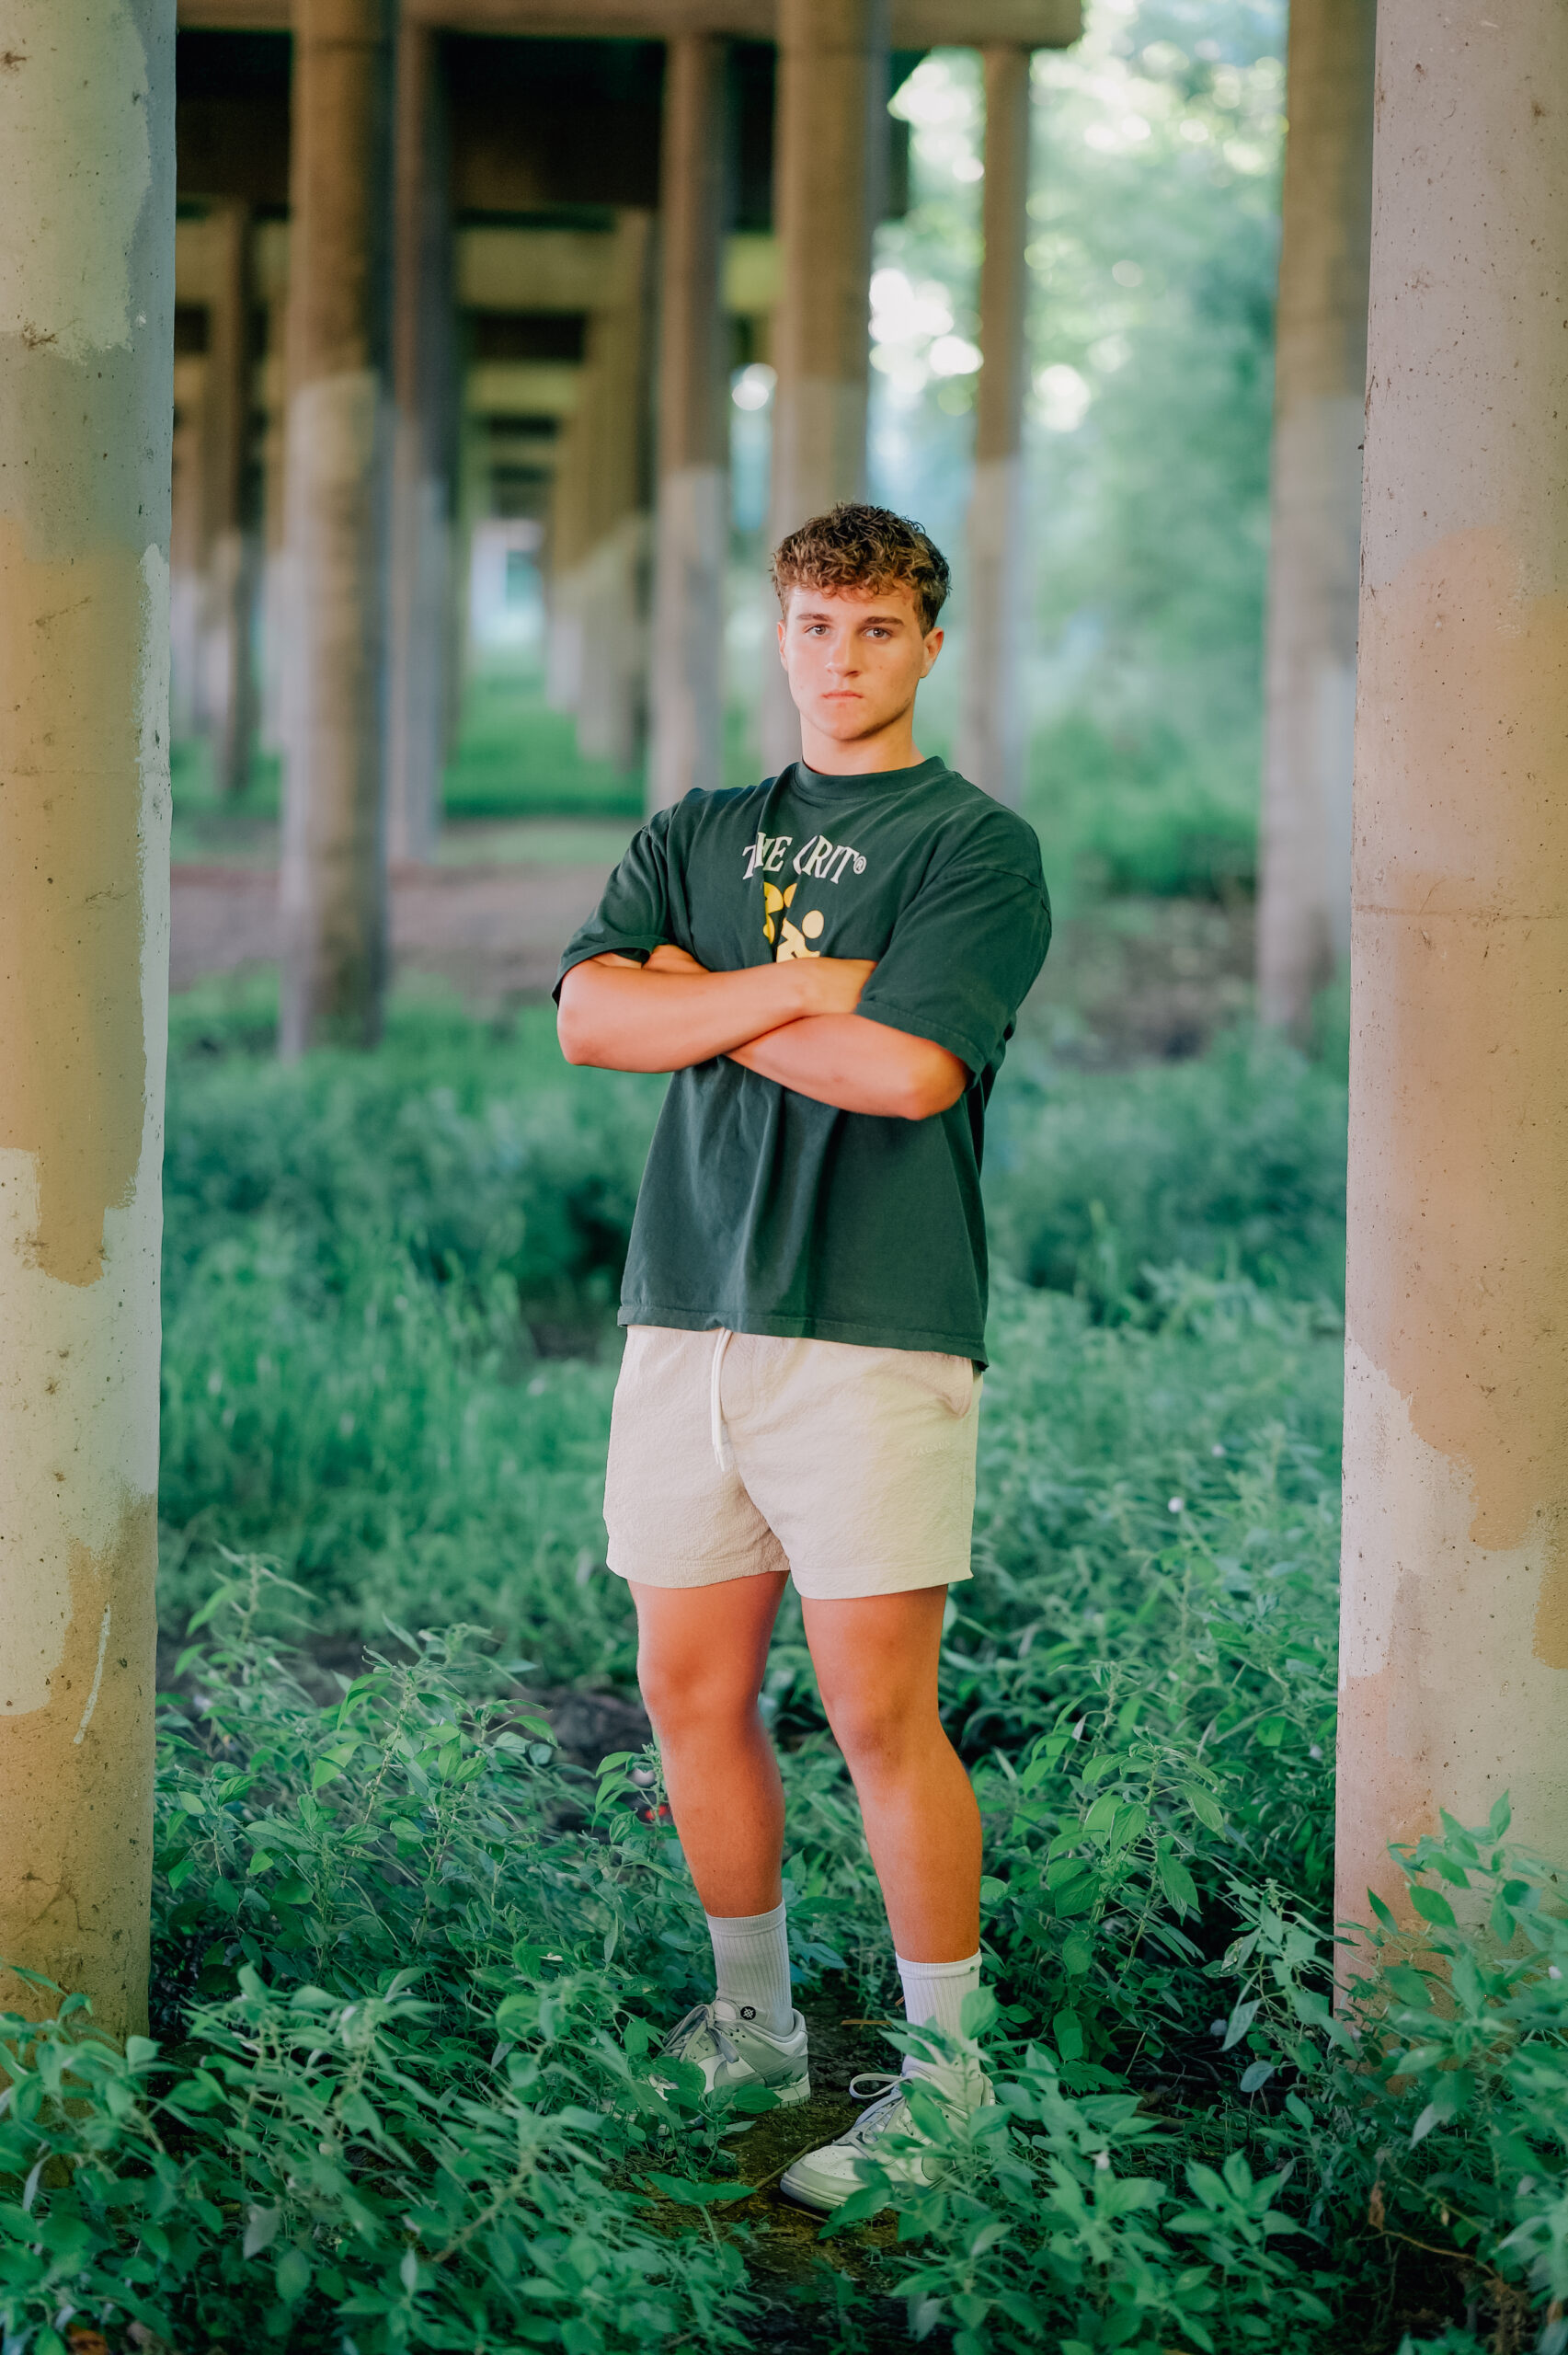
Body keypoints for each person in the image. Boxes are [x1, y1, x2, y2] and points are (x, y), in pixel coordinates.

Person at [555, 501, 1050, 2211]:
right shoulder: (693, 824)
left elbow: (914, 1077)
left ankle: (953, 2085)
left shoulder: (974, 847)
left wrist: (714, 991)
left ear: (927, 644)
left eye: (875, 632)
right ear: (778, 635)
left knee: (874, 1713)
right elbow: (588, 1017)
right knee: (690, 1693)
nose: (838, 662)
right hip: (683, 1315)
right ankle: (756, 2022)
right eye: (812, 628)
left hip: (871, 1328)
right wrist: (811, 989)